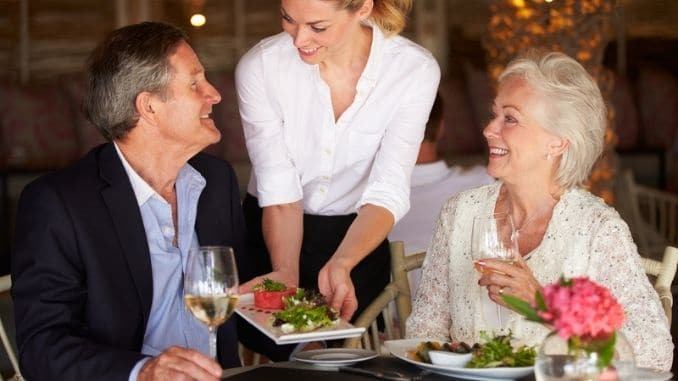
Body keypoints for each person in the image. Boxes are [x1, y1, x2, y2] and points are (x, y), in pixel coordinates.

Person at [406, 51, 673, 371]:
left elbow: (655, 352)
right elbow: (424, 327)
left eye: (510, 118)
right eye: (495, 115)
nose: (489, 129)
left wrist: (543, 306)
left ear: (557, 142)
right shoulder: (459, 213)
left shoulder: (597, 228)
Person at [11, 22, 249, 380]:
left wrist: (305, 336)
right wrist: (145, 372)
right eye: (195, 82)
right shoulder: (58, 204)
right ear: (149, 107)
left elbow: (242, 302)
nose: (214, 94)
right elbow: (43, 347)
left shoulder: (216, 181)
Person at [235, 0, 439, 329]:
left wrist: (343, 263)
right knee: (284, 358)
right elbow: (279, 185)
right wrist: (285, 272)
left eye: (318, 27)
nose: (299, 40)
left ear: (362, 9)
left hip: (355, 237)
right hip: (273, 231)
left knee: (342, 355)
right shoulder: (262, 66)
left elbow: (389, 188)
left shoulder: (413, 70)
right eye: (288, 19)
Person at [389, 92, 494, 294]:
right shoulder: (482, 184)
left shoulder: (364, 202)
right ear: (441, 127)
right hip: (475, 319)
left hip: (392, 322)